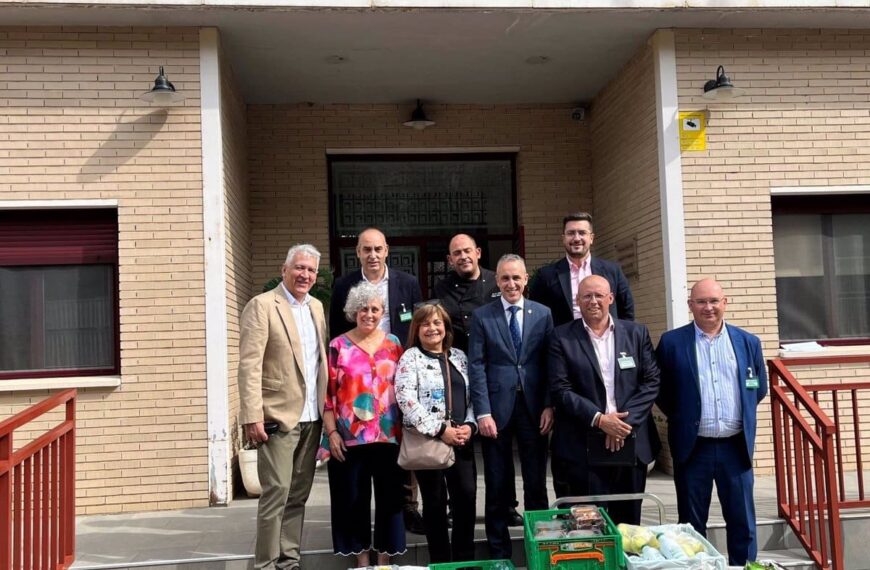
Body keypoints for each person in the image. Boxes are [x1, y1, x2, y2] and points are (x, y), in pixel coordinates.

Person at [655, 278, 768, 566]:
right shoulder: (671, 343)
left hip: (735, 447)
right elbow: (662, 392)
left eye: (714, 301)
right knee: (692, 526)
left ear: (725, 303)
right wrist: (686, 418)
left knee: (743, 522)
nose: (709, 307)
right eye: (701, 301)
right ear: (690, 305)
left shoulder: (748, 342)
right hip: (694, 448)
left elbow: (757, 389)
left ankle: (744, 567)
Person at [329, 227, 425, 533]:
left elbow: (417, 326)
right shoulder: (345, 285)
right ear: (357, 252)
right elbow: (334, 331)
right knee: (365, 464)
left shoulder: (407, 284)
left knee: (399, 447)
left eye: (378, 249)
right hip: (357, 378)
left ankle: (408, 509)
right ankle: (365, 525)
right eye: (366, 249)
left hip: (396, 372)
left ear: (387, 251)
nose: (372, 255)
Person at [238, 244, 328, 570]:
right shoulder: (262, 306)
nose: (305, 275)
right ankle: (265, 565)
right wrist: (252, 416)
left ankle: (289, 562)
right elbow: (249, 365)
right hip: (277, 417)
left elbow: (319, 363)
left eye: (311, 270)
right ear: (284, 269)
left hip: (312, 417)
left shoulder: (317, 307)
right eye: (299, 268)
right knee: (276, 493)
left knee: (298, 497)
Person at [548, 275, 660, 525]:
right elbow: (560, 389)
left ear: (611, 298)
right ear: (577, 300)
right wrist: (600, 420)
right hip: (582, 445)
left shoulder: (636, 333)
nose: (593, 301)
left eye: (599, 295)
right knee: (587, 525)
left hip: (630, 441)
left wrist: (620, 424)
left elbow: (651, 381)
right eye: (587, 296)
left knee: (630, 525)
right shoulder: (561, 337)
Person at [468, 253, 554, 559]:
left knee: (535, 484)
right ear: (497, 281)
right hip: (496, 411)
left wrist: (548, 405)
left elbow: (549, 363)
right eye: (505, 278)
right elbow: (476, 365)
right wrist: (482, 412)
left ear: (526, 279)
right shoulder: (483, 316)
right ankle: (499, 554)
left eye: (516, 277)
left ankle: (539, 551)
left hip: (534, 409)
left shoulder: (542, 314)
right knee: (497, 483)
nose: (511, 283)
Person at [434, 234, 523, 528]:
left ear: (478, 252)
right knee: (459, 441)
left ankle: (507, 505)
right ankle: (456, 505)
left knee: (498, 445)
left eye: (467, 251)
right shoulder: (442, 287)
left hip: (492, 373)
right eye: (456, 253)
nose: (463, 256)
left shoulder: (495, 281)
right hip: (457, 370)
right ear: (450, 259)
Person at [322, 282, 407, 567]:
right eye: (362, 308)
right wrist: (332, 432)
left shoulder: (394, 344)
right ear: (352, 311)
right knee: (353, 501)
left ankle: (383, 560)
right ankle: (360, 560)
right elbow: (327, 395)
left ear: (382, 312)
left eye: (374, 309)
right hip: (349, 438)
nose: (368, 314)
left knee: (389, 500)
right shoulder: (338, 346)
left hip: (389, 436)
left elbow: (404, 388)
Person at [395, 302, 477, 563]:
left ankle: (464, 560)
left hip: (462, 440)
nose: (432, 328)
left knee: (466, 499)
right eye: (426, 324)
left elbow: (474, 395)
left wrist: (470, 425)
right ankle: (441, 562)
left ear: (446, 327)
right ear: (417, 329)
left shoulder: (459, 357)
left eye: (437, 322)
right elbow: (405, 399)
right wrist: (441, 430)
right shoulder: (410, 358)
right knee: (434, 504)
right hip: (429, 441)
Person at [530, 212, 634, 327]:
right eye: (571, 233)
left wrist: (624, 339)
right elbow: (537, 315)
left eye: (582, 233)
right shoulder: (546, 276)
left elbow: (627, 310)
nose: (576, 238)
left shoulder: (612, 271)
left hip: (607, 341)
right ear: (563, 238)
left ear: (591, 238)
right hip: (564, 342)